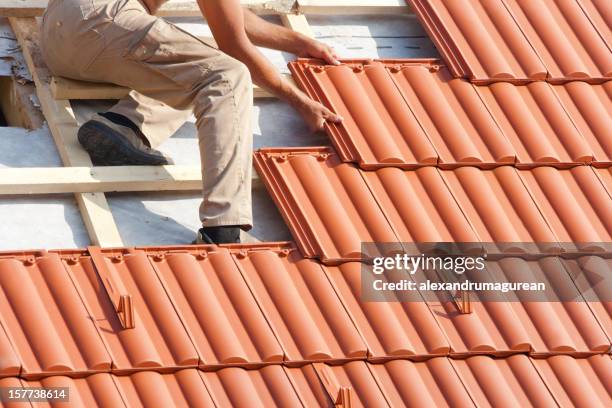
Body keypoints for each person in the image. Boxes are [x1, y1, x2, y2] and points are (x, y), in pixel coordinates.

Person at [41, 0, 343, 244]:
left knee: (195, 68)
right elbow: (233, 43)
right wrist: (298, 100)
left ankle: (124, 125)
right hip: (102, 22)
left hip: (60, 40)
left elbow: (233, 16)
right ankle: (225, 225)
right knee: (226, 76)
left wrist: (297, 41)